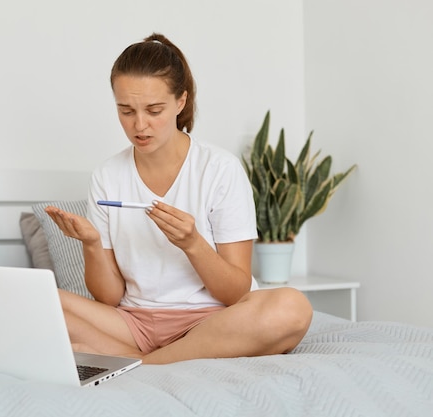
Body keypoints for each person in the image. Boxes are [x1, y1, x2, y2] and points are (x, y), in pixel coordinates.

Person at [44, 33, 313, 365]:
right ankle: (153, 355)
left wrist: (193, 244)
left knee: (291, 308)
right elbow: (109, 297)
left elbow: (236, 293)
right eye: (126, 110)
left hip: (211, 322)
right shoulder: (107, 176)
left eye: (154, 110)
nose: (139, 125)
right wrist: (91, 243)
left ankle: (143, 362)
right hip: (132, 323)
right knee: (35, 302)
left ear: (181, 102)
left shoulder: (220, 169)